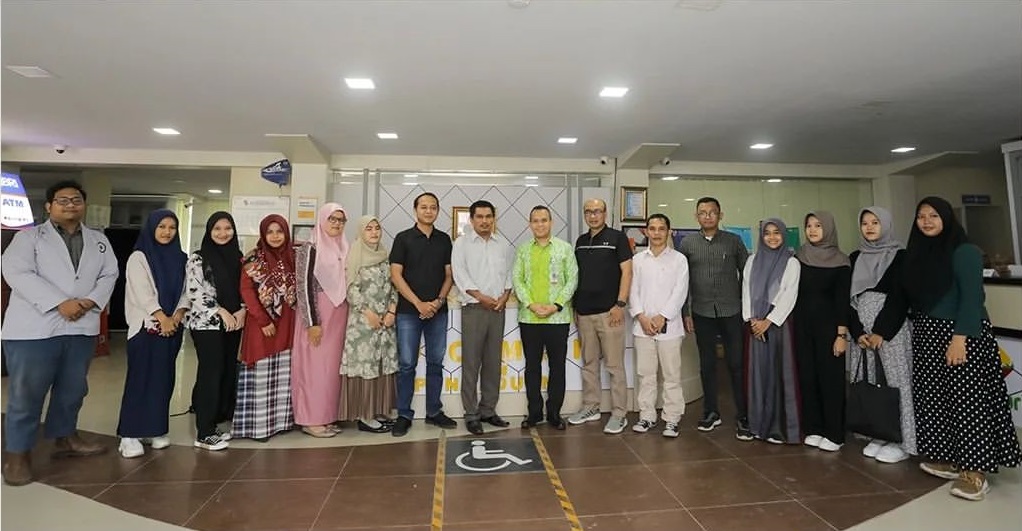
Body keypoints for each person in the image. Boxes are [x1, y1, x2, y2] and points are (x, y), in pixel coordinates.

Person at [903, 197, 1021, 501]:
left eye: (933, 215)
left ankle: (975, 473)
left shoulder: (964, 251)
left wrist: (959, 339)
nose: (926, 221)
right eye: (921, 216)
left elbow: (972, 298)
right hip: (928, 334)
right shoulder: (920, 252)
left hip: (961, 335)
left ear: (947, 218)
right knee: (935, 399)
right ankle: (949, 458)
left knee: (968, 403)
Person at [1, 180, 118, 486]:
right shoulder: (28, 238)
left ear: (84, 205)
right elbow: (15, 272)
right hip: (34, 330)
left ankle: (65, 437)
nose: (70, 205)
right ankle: (17, 453)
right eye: (62, 200)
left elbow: (110, 274)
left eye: (76, 200)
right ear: (49, 206)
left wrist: (89, 301)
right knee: (27, 393)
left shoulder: (98, 241)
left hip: (81, 326)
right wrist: (59, 303)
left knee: (72, 389)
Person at [116, 209, 189, 458]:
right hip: (145, 328)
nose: (167, 232)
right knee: (141, 379)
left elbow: (186, 291)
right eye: (162, 227)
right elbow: (141, 291)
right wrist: (161, 317)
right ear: (151, 228)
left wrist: (177, 315)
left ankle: (155, 429)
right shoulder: (139, 257)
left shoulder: (181, 258)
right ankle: (129, 435)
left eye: (172, 227)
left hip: (173, 328)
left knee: (163, 380)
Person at [679, 197, 752, 439]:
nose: (708, 216)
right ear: (696, 216)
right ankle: (711, 412)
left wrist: (746, 307)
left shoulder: (734, 241)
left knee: (736, 364)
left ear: (720, 215)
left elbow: (748, 275)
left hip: (732, 311)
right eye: (703, 212)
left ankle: (743, 415)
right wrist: (686, 312)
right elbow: (682, 282)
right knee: (707, 364)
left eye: (712, 212)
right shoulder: (687, 243)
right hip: (702, 312)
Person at [848, 207, 915, 463]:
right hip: (862, 334)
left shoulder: (900, 256)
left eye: (875, 222)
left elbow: (901, 297)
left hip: (890, 331)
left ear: (885, 225)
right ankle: (878, 432)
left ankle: (902, 441)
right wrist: (857, 332)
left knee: (895, 380)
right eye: (865, 223)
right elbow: (847, 299)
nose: (869, 227)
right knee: (871, 381)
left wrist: (881, 332)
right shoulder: (855, 257)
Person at [389, 192, 456, 437]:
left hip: (438, 312)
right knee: (407, 365)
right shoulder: (403, 238)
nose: (429, 211)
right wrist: (418, 303)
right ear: (415, 210)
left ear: (438, 210)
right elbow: (396, 275)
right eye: (424, 207)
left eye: (433, 207)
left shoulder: (444, 239)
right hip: (409, 312)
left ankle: (434, 411)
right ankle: (404, 414)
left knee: (435, 363)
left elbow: (449, 275)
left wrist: (438, 302)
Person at [568, 198, 633, 434]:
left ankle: (619, 414)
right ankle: (591, 407)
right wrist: (576, 308)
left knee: (614, 366)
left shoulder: (617, 238)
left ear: (605, 213)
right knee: (589, 364)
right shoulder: (580, 241)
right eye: (588, 212)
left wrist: (620, 304)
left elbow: (627, 272)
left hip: (610, 313)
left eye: (597, 211)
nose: (593, 216)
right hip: (584, 313)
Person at [513, 205, 578, 430]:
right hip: (529, 318)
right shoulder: (522, 250)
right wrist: (531, 304)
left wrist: (555, 305)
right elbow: (517, 279)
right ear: (529, 224)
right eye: (535, 221)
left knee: (557, 367)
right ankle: (534, 413)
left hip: (557, 319)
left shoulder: (565, 248)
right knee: (532, 366)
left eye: (544, 220)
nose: (540, 224)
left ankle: (554, 413)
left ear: (551, 222)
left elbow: (572, 280)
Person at [451, 200, 514, 435]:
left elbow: (509, 274)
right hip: (475, 309)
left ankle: (488, 410)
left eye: (489, 216)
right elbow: (460, 274)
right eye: (480, 217)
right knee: (471, 363)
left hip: (497, 310)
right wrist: (481, 297)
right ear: (472, 219)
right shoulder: (462, 244)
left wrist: (505, 296)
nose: (484, 221)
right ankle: (471, 414)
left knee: (492, 363)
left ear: (494, 218)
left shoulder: (503, 244)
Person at [233, 215, 297, 442]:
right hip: (262, 325)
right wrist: (263, 320)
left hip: (288, 322)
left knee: (284, 374)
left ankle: (282, 423)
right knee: (261, 374)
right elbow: (247, 292)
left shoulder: (293, 256)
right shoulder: (253, 259)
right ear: (263, 234)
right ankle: (259, 427)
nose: (275, 236)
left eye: (279, 231)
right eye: (270, 232)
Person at [185, 211, 245, 451]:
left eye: (228, 228)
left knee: (227, 371)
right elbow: (195, 292)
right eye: (217, 229)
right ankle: (204, 432)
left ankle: (215, 422)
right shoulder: (198, 259)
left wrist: (242, 311)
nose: (223, 233)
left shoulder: (238, 257)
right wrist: (221, 311)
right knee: (211, 373)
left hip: (233, 324)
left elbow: (245, 288)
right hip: (207, 324)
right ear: (209, 231)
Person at [794, 210, 851, 452]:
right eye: (809, 226)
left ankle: (834, 433)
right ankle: (814, 428)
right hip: (802, 327)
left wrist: (841, 335)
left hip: (829, 329)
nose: (813, 230)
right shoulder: (799, 257)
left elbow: (842, 301)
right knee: (808, 377)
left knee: (831, 380)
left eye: (818, 225)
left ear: (828, 228)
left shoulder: (841, 261)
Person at [628, 214, 689, 438]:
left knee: (671, 375)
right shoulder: (638, 260)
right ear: (646, 232)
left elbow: (680, 292)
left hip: (670, 328)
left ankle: (672, 419)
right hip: (642, 327)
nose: (656, 233)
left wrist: (663, 316)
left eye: (661, 228)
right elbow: (632, 290)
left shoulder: (679, 260)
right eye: (652, 228)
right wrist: (641, 317)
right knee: (645, 375)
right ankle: (647, 416)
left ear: (668, 231)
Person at [742, 218, 801, 444]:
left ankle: (777, 428)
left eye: (777, 232)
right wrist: (752, 320)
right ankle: (757, 425)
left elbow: (789, 295)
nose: (772, 237)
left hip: (778, 325)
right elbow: (746, 290)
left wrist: (769, 321)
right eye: (767, 233)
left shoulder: (791, 262)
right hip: (755, 324)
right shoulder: (752, 260)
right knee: (758, 375)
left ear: (784, 235)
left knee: (778, 374)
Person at [293, 204, 349, 438]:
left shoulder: (344, 247)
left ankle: (327, 416)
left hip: (339, 314)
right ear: (322, 220)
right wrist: (312, 322)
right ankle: (311, 419)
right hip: (318, 316)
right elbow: (303, 286)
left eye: (341, 220)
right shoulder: (309, 248)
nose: (336, 224)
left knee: (331, 371)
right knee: (314, 369)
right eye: (332, 219)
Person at [339, 215, 399, 433]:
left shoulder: (385, 255)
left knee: (382, 367)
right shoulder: (355, 254)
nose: (374, 232)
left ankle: (378, 411)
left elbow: (394, 286)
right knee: (366, 369)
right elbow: (350, 289)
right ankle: (365, 416)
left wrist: (392, 311)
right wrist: (367, 312)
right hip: (363, 324)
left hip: (386, 323)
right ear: (361, 232)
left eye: (377, 228)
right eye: (369, 229)